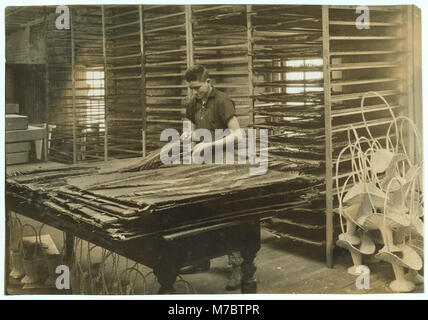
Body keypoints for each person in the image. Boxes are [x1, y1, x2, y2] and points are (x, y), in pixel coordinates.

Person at [179, 65, 244, 291]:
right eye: (191, 89)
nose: (194, 92)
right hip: (201, 165)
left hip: (223, 163)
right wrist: (188, 135)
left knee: (227, 214)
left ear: (209, 81)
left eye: (197, 87)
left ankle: (238, 267)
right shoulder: (194, 102)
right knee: (199, 211)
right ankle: (200, 259)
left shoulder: (222, 101)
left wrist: (209, 143)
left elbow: (238, 134)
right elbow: (190, 123)